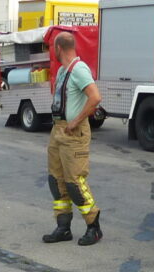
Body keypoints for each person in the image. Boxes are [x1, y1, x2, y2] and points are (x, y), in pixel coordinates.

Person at [42, 31, 104, 246]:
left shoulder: (79, 69)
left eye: (53, 47)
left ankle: (93, 227)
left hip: (73, 133)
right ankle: (63, 227)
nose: (52, 51)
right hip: (58, 130)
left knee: (74, 183)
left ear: (58, 48)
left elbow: (95, 97)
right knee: (56, 181)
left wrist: (76, 120)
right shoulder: (63, 70)